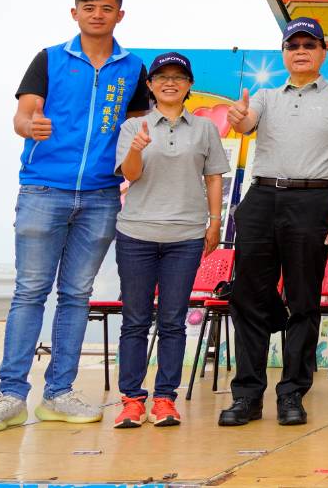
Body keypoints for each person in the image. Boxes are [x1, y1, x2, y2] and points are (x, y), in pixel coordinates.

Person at [0, 0, 149, 433]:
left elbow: (136, 129)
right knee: (30, 291)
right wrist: (28, 125)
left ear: (119, 15)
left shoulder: (133, 69)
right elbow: (23, 113)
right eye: (88, 7)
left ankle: (59, 393)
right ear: (74, 13)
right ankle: (10, 395)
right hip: (43, 189)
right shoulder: (49, 58)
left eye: (106, 8)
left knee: (76, 294)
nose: (96, 14)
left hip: (100, 194)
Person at [218, 18, 328, 428]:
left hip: (313, 200)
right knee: (248, 299)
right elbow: (243, 124)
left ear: (323, 53)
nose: (300, 50)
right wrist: (239, 115)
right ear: (283, 53)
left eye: (309, 44)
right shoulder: (264, 95)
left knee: (303, 301)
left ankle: (293, 393)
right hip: (262, 198)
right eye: (292, 44)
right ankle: (246, 395)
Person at [111, 52, 229, 429]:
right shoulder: (135, 127)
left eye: (179, 77)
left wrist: (214, 223)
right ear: (150, 85)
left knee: (173, 320)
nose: (170, 82)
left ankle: (165, 399)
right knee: (135, 320)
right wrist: (136, 148)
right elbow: (131, 175)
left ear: (189, 85)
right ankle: (131, 399)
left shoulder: (204, 129)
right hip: (137, 233)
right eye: (162, 76)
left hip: (186, 236)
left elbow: (213, 177)